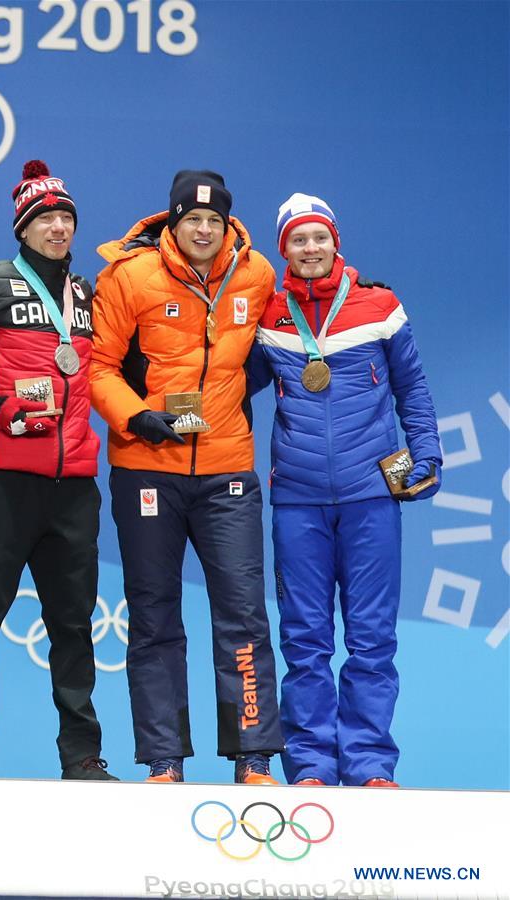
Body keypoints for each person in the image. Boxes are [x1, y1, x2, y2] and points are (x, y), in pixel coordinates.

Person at [0, 160, 118, 786]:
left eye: (66, 218)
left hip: (73, 487)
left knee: (73, 626)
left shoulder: (88, 295)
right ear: (23, 228)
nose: (59, 228)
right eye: (46, 219)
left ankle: (82, 759)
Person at [90, 170, 284, 784]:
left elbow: (268, 353)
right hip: (147, 470)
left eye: (214, 220)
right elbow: (98, 368)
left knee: (245, 614)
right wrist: (137, 416)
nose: (203, 229)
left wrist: (223, 405)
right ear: (172, 221)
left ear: (227, 224)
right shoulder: (129, 276)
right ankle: (164, 762)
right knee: (153, 617)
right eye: (191, 219)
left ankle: (253, 756)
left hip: (228, 469)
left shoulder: (255, 274)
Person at [247, 193, 442, 788]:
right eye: (298, 241)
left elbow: (413, 388)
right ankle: (310, 764)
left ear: (336, 241)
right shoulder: (268, 314)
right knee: (304, 638)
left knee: (372, 636)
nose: (310, 249)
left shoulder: (380, 306)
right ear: (284, 249)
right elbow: (224, 385)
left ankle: (370, 764)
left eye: (319, 238)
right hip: (299, 500)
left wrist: (427, 452)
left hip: (370, 496)